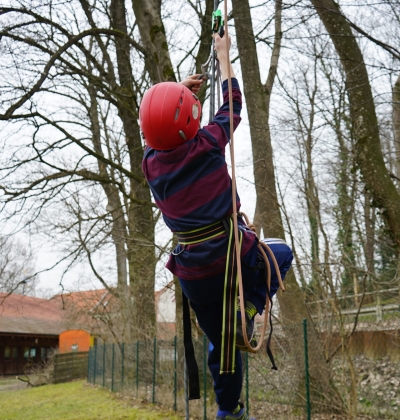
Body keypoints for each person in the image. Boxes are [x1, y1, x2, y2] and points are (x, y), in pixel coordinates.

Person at [141, 34, 293, 420]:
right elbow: (232, 105)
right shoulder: (208, 143)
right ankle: (253, 306)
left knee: (223, 343)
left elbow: (154, 132)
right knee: (280, 253)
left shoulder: (150, 166)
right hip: (233, 256)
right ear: (191, 122)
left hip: (194, 274)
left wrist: (179, 95)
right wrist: (224, 58)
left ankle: (228, 411)